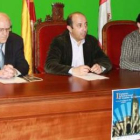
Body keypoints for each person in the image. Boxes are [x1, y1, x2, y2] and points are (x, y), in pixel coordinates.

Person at [45, 12, 112, 76]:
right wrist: (73, 70)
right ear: (70, 28)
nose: (84, 29)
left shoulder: (91, 41)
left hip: (88, 83)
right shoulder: (59, 42)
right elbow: (50, 65)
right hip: (66, 83)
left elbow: (106, 61)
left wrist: (100, 67)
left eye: (85, 25)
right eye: (80, 25)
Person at [0, 13, 29, 78]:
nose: (5, 34)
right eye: (1, 30)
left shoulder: (16, 40)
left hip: (9, 85)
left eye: (7, 29)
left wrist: (14, 72)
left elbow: (23, 65)